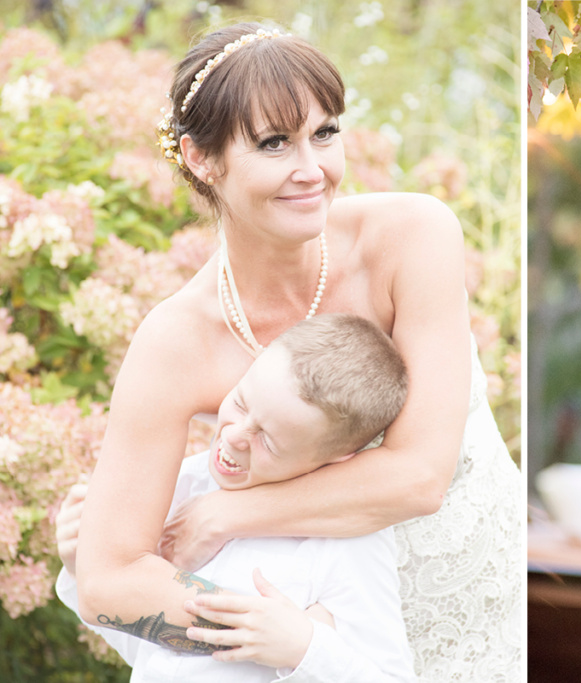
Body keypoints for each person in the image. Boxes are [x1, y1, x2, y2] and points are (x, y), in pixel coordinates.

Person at [74, 22, 521, 682]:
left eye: (326, 133)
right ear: (202, 158)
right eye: (275, 143)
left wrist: (226, 512)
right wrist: (294, 641)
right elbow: (109, 579)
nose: (313, 171)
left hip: (486, 614)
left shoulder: (413, 237)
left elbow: (421, 475)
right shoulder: (175, 342)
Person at [57, 313, 415, 682]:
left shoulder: (349, 541)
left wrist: (303, 648)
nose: (234, 437)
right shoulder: (184, 483)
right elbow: (158, 656)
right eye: (241, 403)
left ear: (335, 457)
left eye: (269, 441)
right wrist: (80, 567)